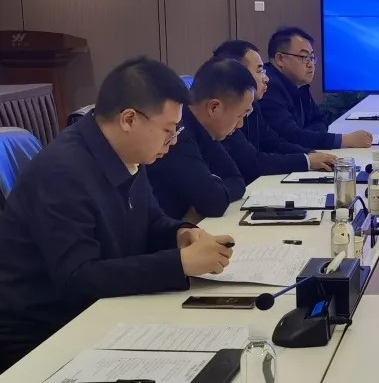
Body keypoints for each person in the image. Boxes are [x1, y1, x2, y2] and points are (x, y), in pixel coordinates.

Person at [0, 58, 234, 371]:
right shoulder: (63, 172)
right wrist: (180, 263)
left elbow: (150, 221)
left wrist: (181, 234)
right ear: (129, 119)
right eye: (167, 130)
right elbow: (78, 279)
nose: (173, 141)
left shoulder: (127, 151)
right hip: (43, 337)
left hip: (101, 312)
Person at [213, 40, 337, 183]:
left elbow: (273, 142)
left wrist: (311, 154)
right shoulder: (223, 113)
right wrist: (307, 161)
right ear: (237, 74)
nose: (266, 78)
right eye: (259, 71)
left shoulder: (253, 105)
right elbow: (254, 163)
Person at [148, 57, 256, 220]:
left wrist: (213, 187)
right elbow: (214, 203)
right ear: (214, 107)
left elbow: (236, 180)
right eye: (239, 116)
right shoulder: (177, 134)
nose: (240, 125)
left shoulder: (204, 130)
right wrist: (213, 188)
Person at [259, 27, 372, 149]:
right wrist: (345, 140)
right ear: (280, 59)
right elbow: (290, 136)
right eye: (304, 57)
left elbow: (320, 121)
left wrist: (307, 137)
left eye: (312, 58)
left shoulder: (299, 85)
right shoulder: (268, 87)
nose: (310, 65)